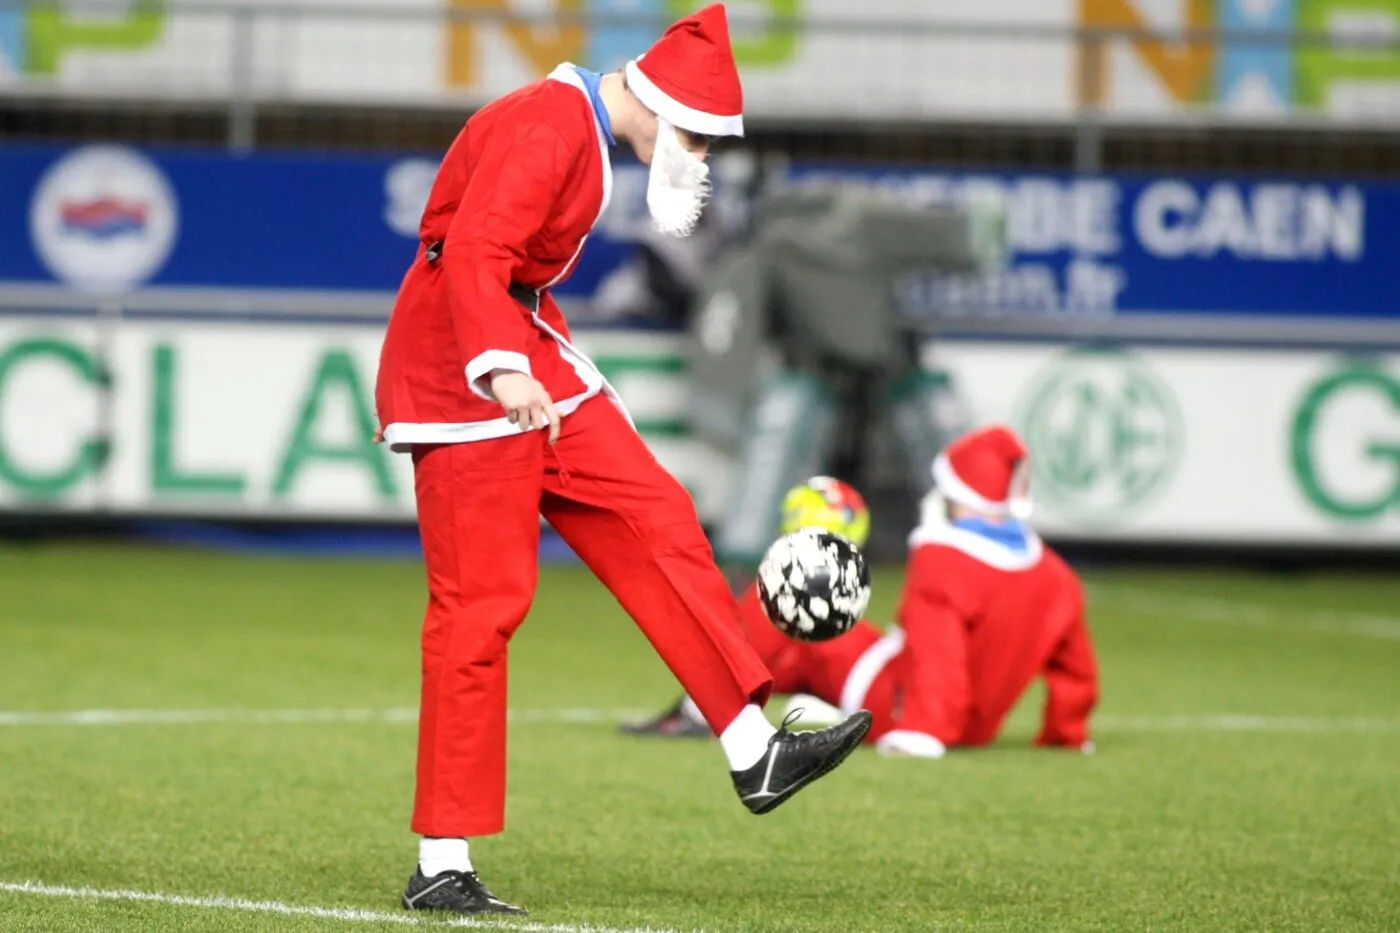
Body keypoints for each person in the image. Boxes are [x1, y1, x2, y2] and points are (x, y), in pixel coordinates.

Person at [373, 3, 871, 917]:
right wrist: (504, 366)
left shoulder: (583, 133)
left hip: (523, 345)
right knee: (480, 609)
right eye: (702, 135)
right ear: (658, 102)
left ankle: (751, 746)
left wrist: (530, 362)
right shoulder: (546, 124)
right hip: (462, 364)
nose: (705, 156)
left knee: (657, 513)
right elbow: (477, 248)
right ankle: (441, 859)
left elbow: (503, 263)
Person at [624, 425, 1099, 760]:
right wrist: (1067, 733)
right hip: (960, 720)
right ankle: (754, 695)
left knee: (790, 584)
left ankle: (704, 707)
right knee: (799, 647)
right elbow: (1076, 671)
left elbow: (939, 657)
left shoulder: (946, 559)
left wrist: (922, 733)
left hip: (900, 702)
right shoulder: (1057, 576)